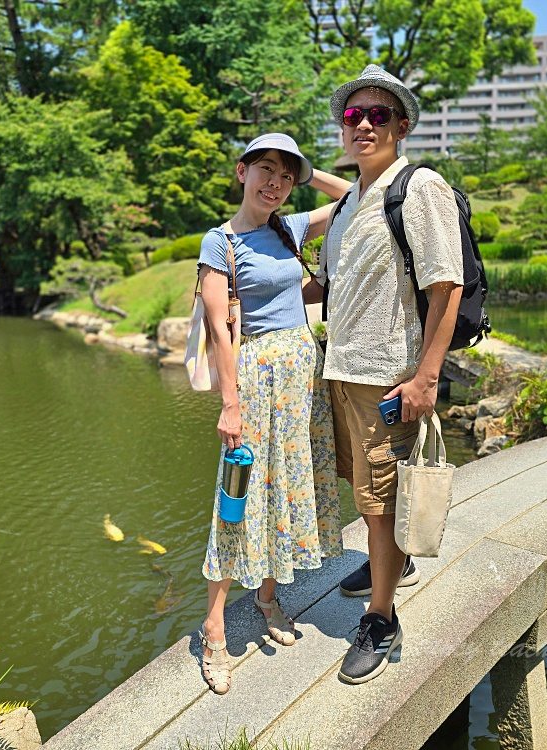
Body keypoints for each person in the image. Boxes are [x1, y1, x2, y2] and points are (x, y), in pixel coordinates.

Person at [303, 65, 463, 685]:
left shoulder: (418, 188)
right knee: (366, 490)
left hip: (390, 377)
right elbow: (334, 283)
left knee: (380, 499)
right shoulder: (350, 204)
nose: (363, 123)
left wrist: (425, 379)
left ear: (400, 125)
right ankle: (382, 565)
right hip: (342, 368)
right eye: (352, 115)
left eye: (378, 115)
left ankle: (381, 617)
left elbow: (443, 287)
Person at [198, 133, 351, 695]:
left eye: (285, 175)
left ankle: (267, 597)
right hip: (257, 379)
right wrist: (230, 404)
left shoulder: (288, 226)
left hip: (300, 375)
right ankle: (215, 629)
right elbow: (219, 329)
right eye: (265, 169)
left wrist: (308, 174)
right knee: (238, 495)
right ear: (241, 172)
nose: (275, 183)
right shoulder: (220, 243)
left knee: (286, 489)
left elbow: (356, 195)